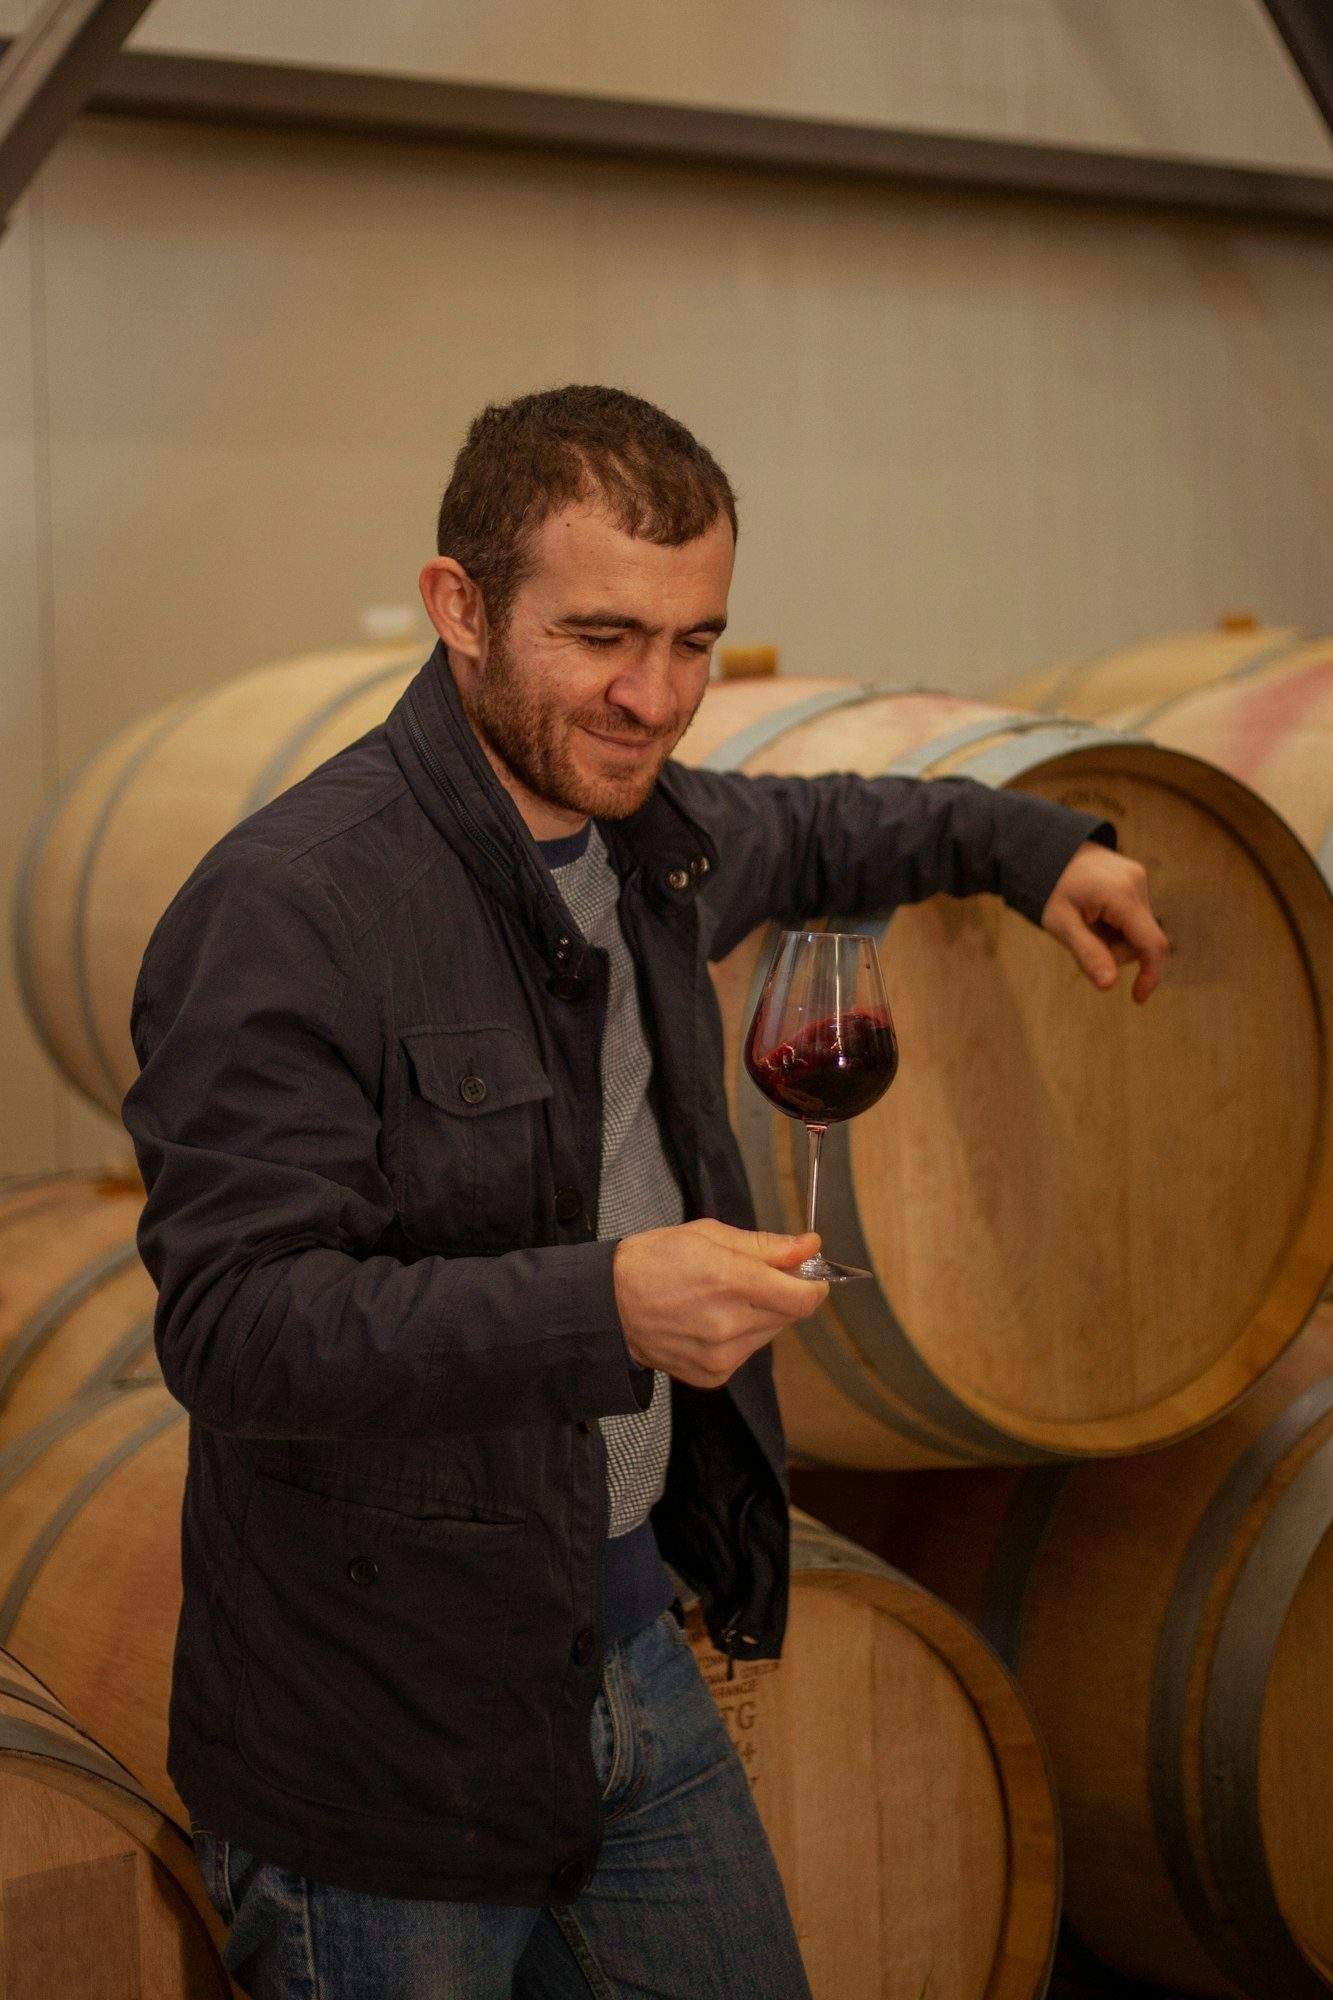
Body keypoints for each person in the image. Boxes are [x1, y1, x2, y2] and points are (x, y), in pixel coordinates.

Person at [121, 384, 1169, 2000]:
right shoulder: (292, 904)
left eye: (694, 641)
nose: (656, 695)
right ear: (458, 607)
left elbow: (832, 828)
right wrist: (604, 1302)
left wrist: (1042, 852)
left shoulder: (660, 843)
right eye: (605, 635)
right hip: (380, 1735)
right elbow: (240, 1328)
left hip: (621, 1652)